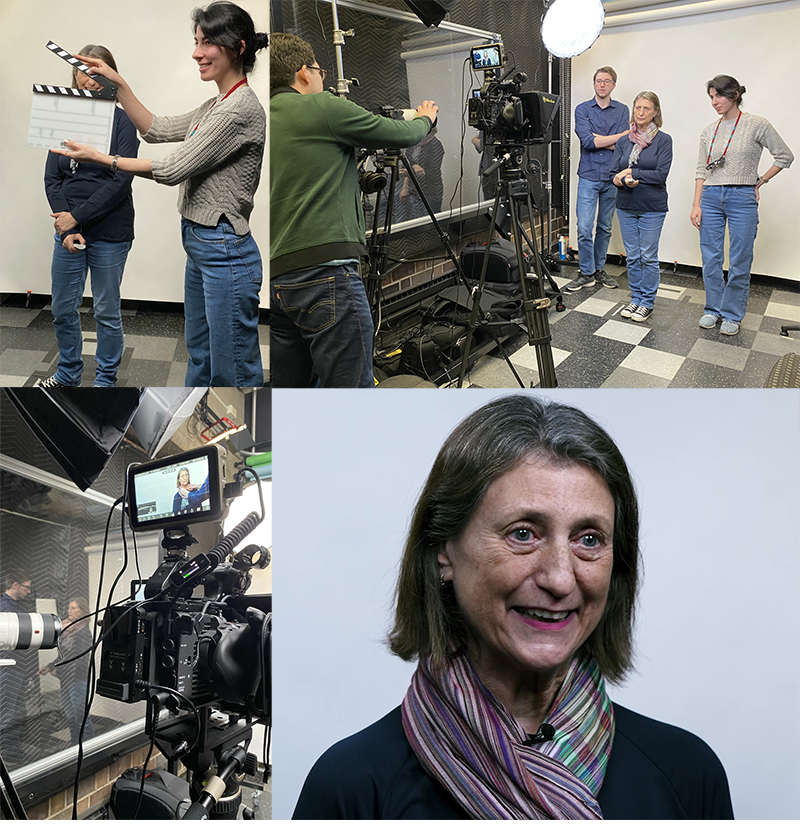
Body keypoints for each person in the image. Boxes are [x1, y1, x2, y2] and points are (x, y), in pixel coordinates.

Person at [293, 396, 734, 819]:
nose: (560, 578)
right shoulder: (351, 789)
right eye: (523, 534)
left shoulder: (689, 775)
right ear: (444, 549)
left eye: (589, 540)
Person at [52, 1, 268, 385]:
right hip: (202, 244)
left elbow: (172, 168)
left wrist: (102, 158)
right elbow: (156, 128)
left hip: (225, 251)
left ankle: (245, 439)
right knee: (200, 354)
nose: (196, 52)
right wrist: (120, 86)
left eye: (207, 43)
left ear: (237, 47)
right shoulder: (216, 103)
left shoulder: (238, 110)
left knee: (233, 366)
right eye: (196, 41)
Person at [269, 32, 439, 388]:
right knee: (350, 392)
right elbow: (400, 134)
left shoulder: (266, 115)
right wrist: (425, 118)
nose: (322, 78)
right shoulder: (323, 107)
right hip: (327, 274)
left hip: (278, 280)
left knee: (292, 391)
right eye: (318, 70)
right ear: (303, 73)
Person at [41, 45, 138, 389]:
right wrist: (66, 226)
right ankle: (67, 375)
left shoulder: (124, 121)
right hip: (67, 231)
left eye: (97, 70)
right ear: (73, 78)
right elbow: (53, 178)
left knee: (106, 313)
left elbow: (120, 181)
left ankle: (105, 382)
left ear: (110, 75)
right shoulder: (62, 120)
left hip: (110, 232)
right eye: (81, 71)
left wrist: (75, 217)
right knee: (62, 308)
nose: (89, 77)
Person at [690, 75, 793, 336]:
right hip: (711, 197)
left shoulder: (756, 124)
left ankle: (733, 314)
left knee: (740, 258)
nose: (714, 102)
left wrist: (759, 182)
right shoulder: (708, 130)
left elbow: (784, 156)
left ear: (735, 94)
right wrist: (696, 204)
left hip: (742, 198)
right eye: (711, 97)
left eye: (719, 96)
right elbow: (701, 170)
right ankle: (713, 309)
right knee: (711, 258)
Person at [609, 92, 673, 323]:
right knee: (633, 256)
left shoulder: (663, 140)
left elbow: (660, 174)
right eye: (638, 108)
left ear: (656, 112)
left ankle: (647, 301)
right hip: (626, 204)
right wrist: (620, 179)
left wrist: (632, 172)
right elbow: (612, 172)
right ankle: (636, 298)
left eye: (647, 108)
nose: (641, 112)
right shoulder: (624, 140)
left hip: (652, 207)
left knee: (648, 255)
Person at [567, 67, 630, 294]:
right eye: (598, 81)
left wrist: (600, 139)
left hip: (613, 176)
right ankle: (587, 273)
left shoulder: (623, 110)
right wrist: (614, 138)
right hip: (589, 175)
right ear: (594, 84)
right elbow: (587, 142)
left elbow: (624, 145)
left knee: (604, 227)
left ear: (613, 85)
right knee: (584, 227)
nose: (602, 85)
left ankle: (599, 269)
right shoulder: (582, 109)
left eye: (607, 81)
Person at [38, 597, 95, 745]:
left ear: (82, 612)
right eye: (69, 608)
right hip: (67, 679)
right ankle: (75, 744)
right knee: (70, 715)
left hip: (78, 679)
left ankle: (90, 746)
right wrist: (50, 667)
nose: (69, 611)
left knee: (81, 716)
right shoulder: (67, 630)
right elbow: (63, 656)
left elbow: (79, 659)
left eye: (73, 608)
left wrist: (60, 671)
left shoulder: (83, 633)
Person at [0, 571, 33, 766]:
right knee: (9, 714)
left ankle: (13, 753)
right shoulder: (6, 610)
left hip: (15, 670)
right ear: (15, 585)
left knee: (14, 712)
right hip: (9, 670)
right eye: (26, 587)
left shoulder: (13, 608)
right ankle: (10, 757)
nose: (29, 591)